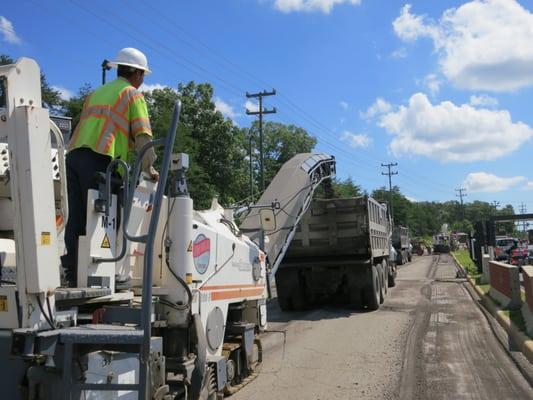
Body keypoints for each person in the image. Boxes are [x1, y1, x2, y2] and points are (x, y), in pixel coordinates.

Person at [61, 47, 158, 287]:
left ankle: (74, 272)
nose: (143, 80)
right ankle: (101, 274)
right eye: (143, 75)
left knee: (79, 216)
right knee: (107, 216)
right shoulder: (131, 95)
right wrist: (150, 169)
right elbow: (143, 136)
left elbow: (115, 129)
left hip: (74, 157)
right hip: (101, 160)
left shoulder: (96, 94)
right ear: (136, 73)